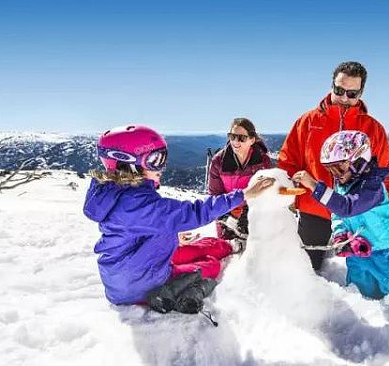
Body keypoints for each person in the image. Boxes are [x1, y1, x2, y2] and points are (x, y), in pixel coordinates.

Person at [83, 125, 274, 306]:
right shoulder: (140, 205)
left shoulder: (118, 193)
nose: (162, 167)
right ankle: (218, 257)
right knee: (211, 266)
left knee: (209, 245)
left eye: (163, 159)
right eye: (155, 160)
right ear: (129, 165)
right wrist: (244, 194)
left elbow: (137, 229)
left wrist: (165, 236)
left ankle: (228, 245)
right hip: (139, 284)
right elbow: (195, 212)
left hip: (137, 265)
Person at [292, 131, 389, 311]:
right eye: (331, 170)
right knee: (364, 293)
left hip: (383, 250)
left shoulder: (372, 187)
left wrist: (315, 187)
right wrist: (340, 235)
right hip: (357, 249)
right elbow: (338, 214)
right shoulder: (342, 185)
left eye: (339, 168)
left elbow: (347, 207)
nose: (336, 175)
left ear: (359, 161)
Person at [278, 61, 389, 271]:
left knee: (367, 273)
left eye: (351, 94)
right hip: (315, 209)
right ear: (332, 85)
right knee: (307, 269)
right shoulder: (307, 121)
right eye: (339, 90)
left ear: (361, 93)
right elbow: (288, 161)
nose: (344, 98)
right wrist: (294, 195)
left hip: (358, 212)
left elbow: (382, 172)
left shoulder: (373, 129)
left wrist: (382, 208)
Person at [208, 117, 272, 246]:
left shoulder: (262, 161)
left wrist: (250, 210)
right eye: (232, 136)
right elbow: (215, 196)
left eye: (241, 138)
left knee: (256, 248)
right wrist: (226, 217)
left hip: (254, 212)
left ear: (252, 140)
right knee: (228, 250)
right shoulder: (218, 162)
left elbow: (267, 191)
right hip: (228, 210)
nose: (236, 141)